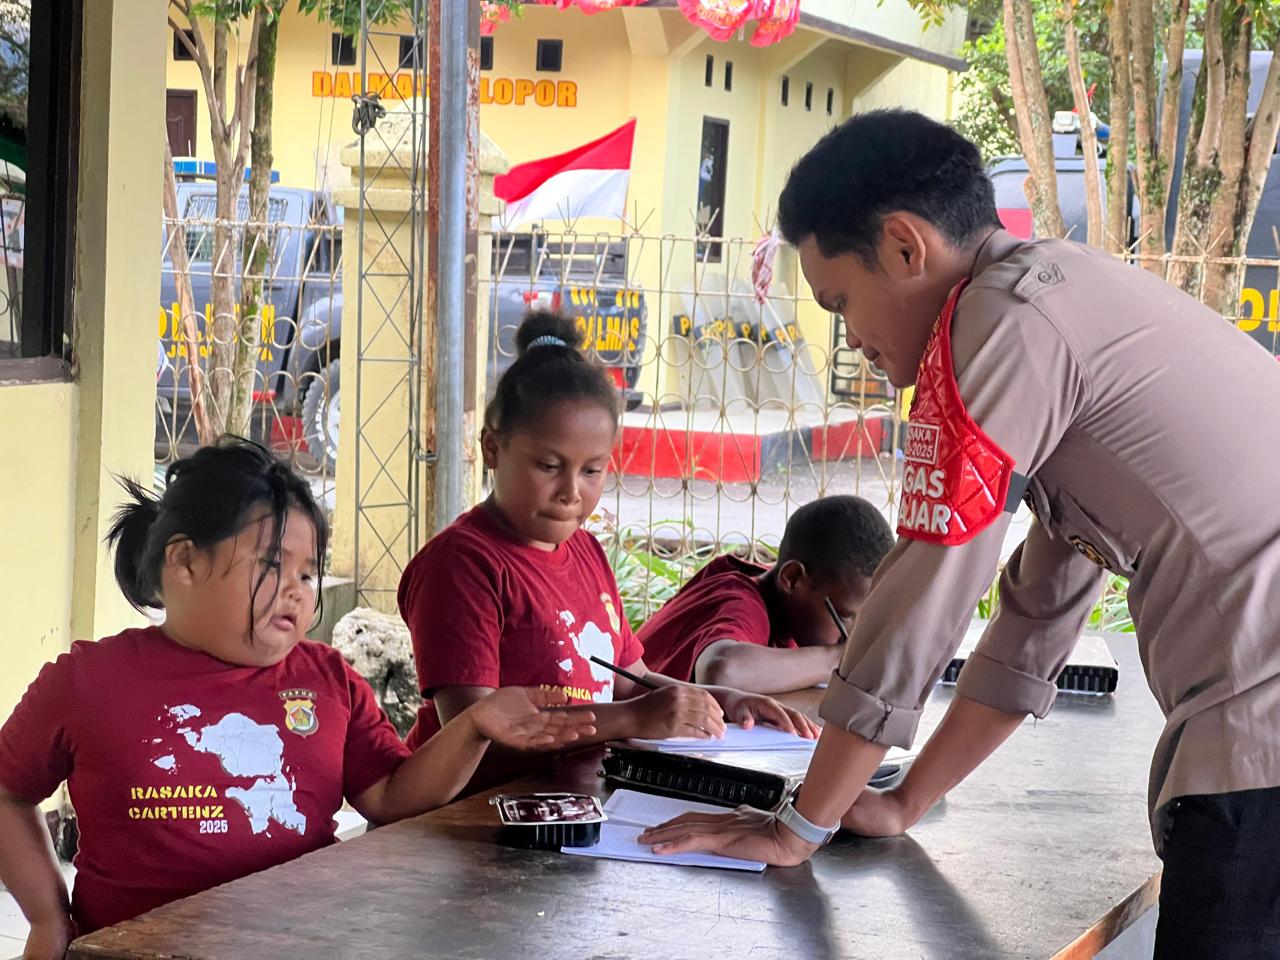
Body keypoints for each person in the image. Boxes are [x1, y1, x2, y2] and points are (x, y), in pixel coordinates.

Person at [638, 108, 1280, 959]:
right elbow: (1036, 617)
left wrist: (799, 825)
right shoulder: (1062, 295)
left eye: (841, 302)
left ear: (906, 247)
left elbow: (927, 588)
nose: (851, 337)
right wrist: (902, 801)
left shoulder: (1001, 319)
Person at [0, 439, 594, 958]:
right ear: (184, 562)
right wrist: (48, 917)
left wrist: (474, 727)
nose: (297, 591)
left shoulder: (327, 679)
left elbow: (392, 797)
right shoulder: (87, 681)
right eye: (271, 564)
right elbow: (7, 791)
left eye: (308, 573)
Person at [398, 311, 819, 778]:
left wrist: (722, 701)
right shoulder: (461, 565)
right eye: (549, 466)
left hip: (573, 791)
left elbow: (629, 682)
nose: (571, 491)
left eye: (592, 470)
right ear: (492, 448)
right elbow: (471, 734)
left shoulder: (586, 552)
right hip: (472, 808)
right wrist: (630, 720)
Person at [638, 495, 892, 692]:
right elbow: (723, 671)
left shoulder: (791, 610)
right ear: (792, 578)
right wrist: (836, 660)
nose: (853, 636)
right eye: (845, 616)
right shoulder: (740, 602)